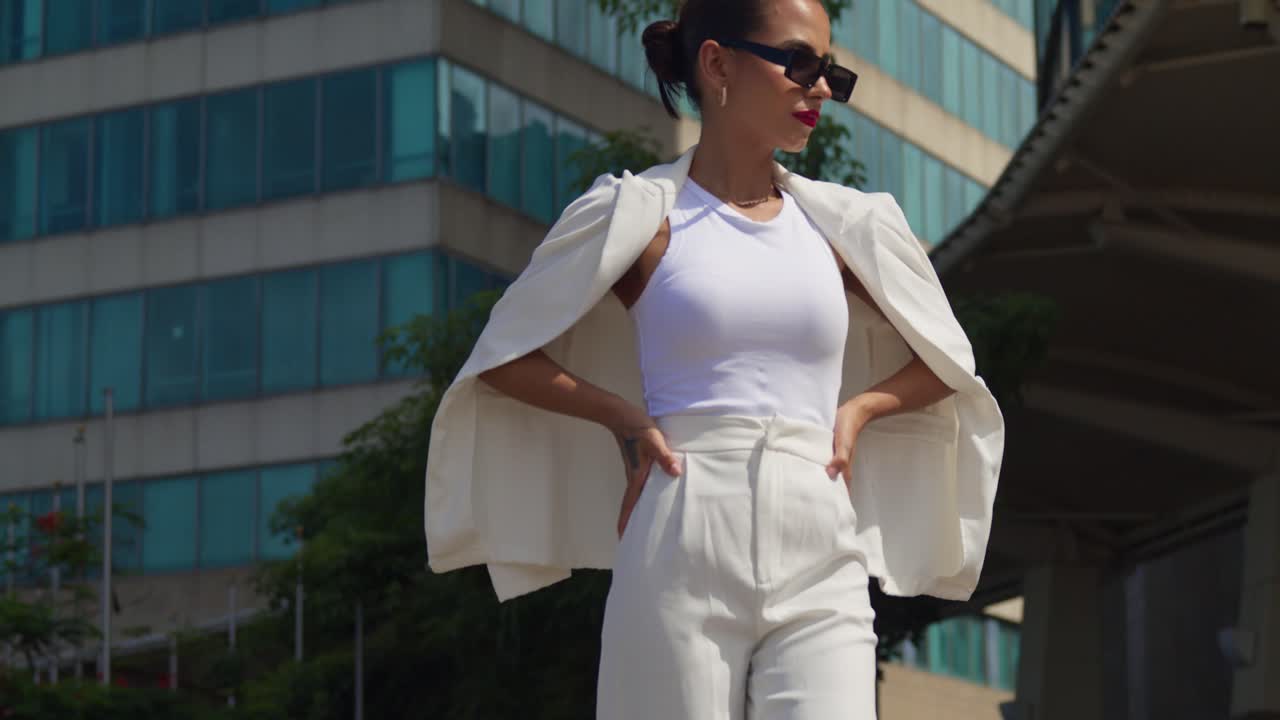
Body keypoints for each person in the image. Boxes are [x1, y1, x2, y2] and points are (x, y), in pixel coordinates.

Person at [423, 0, 1005, 718]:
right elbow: (504, 358)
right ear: (718, 63)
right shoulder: (639, 218)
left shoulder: (844, 230)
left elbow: (948, 362)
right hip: (682, 525)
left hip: (819, 527)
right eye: (800, 64)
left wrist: (859, 409)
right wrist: (622, 419)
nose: (820, 88)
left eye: (831, 72)